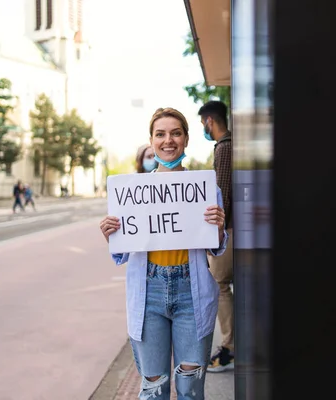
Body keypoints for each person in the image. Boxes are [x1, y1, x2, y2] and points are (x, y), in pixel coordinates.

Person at [99, 107, 228, 400]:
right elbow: (122, 252)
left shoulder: (205, 188)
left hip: (191, 295)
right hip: (149, 294)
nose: (168, 140)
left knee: (190, 390)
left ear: (185, 139)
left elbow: (216, 246)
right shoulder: (132, 191)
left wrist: (219, 227)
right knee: (154, 390)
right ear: (151, 140)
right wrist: (112, 233)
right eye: (161, 134)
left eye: (175, 133)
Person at [198, 100, 235, 372]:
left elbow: (222, 197)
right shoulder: (234, 144)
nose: (204, 129)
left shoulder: (223, 148)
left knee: (220, 283)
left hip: (230, 228)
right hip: (236, 226)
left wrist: (216, 233)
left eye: (203, 124)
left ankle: (230, 347)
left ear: (210, 121)